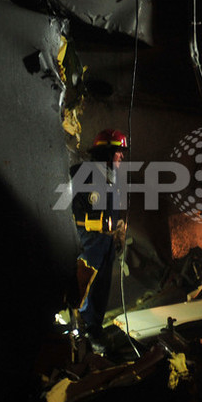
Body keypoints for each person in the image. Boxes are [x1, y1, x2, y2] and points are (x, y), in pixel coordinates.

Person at [70, 128, 129, 355]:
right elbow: (74, 212)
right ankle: (81, 333)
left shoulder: (111, 178)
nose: (122, 157)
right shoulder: (83, 174)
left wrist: (118, 230)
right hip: (90, 241)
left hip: (105, 244)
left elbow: (109, 212)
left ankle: (94, 331)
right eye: (118, 152)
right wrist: (97, 226)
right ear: (107, 151)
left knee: (101, 290)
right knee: (84, 287)